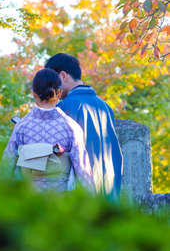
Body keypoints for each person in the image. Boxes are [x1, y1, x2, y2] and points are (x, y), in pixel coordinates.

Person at [0, 68, 94, 192]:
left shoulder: (22, 126)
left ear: (33, 93)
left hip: (28, 201)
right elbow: (83, 170)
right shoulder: (71, 127)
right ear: (59, 93)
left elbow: (6, 166)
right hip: (60, 203)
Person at [45, 53, 123, 200]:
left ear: (62, 76)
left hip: (82, 196)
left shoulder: (64, 107)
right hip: (109, 192)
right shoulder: (105, 107)